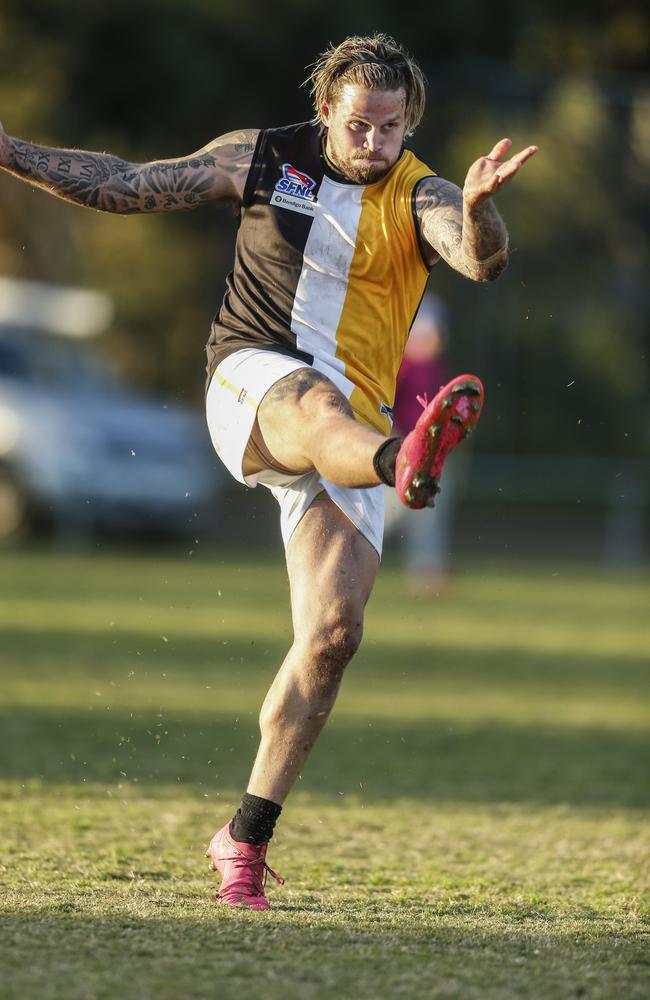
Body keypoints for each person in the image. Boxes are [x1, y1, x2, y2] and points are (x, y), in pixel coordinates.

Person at [0, 33, 537, 910]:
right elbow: (127, 184)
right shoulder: (262, 158)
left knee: (332, 636)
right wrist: (11, 152)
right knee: (321, 407)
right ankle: (405, 459)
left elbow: (482, 259)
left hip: (349, 434)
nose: (375, 142)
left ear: (410, 123)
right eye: (360, 125)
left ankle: (243, 841)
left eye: (392, 128)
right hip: (256, 382)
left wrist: (477, 209)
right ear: (325, 109)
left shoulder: (424, 192)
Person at [386, 293, 458, 595]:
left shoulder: (434, 368)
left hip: (431, 449)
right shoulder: (403, 366)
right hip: (401, 446)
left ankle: (426, 573)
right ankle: (345, 551)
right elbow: (388, 406)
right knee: (388, 512)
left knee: (431, 510)